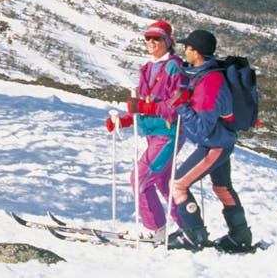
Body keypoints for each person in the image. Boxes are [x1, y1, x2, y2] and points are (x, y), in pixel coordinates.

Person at [167, 29, 254, 252]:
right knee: (222, 187)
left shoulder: (209, 84)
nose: (184, 51)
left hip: (214, 144)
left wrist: (181, 108)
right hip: (222, 142)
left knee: (178, 184)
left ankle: (193, 235)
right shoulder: (208, 75)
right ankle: (240, 236)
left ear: (196, 52)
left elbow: (201, 129)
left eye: (187, 48)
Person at [105, 20, 185, 239]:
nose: (151, 42)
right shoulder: (147, 68)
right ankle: (190, 227)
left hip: (169, 133)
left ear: (168, 41)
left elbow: (177, 105)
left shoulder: (175, 67)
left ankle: (156, 229)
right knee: (163, 181)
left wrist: (146, 107)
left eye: (157, 38)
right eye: (148, 38)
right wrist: (125, 120)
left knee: (140, 178)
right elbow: (139, 103)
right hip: (153, 133)